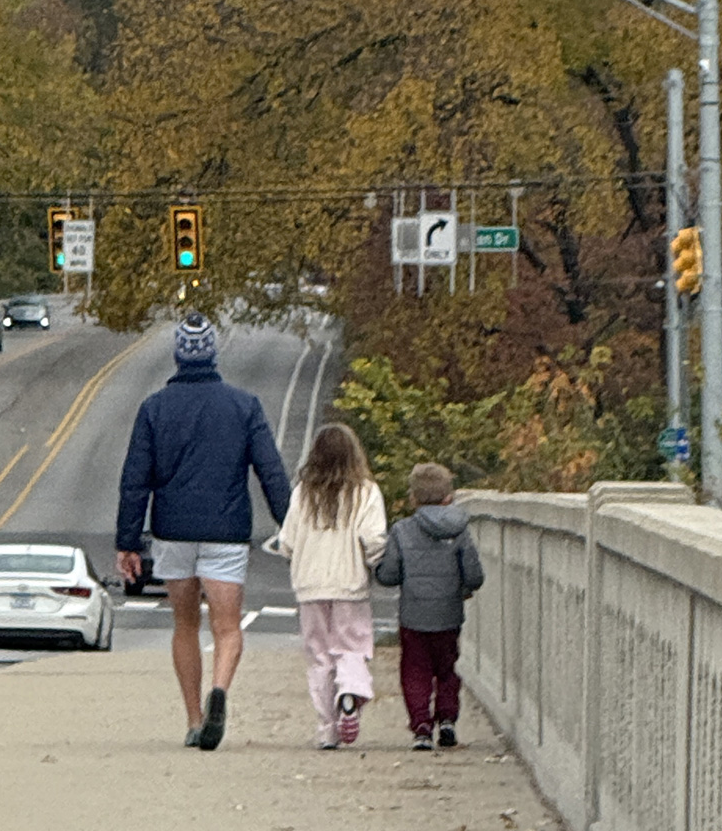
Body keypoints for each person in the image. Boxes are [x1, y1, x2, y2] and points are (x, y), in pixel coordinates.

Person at [116, 313, 291, 751]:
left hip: (173, 531)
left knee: (185, 625)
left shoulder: (154, 408)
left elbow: (135, 479)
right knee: (227, 627)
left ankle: (194, 719)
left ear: (178, 354)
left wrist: (127, 541)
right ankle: (220, 691)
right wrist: (291, 525)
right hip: (226, 531)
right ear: (214, 352)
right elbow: (270, 472)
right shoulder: (244, 406)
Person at [278, 423, 387, 749]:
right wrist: (375, 563)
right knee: (351, 646)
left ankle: (328, 728)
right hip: (349, 585)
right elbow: (374, 540)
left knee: (319, 656)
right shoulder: (366, 492)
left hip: (310, 586)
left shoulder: (302, 493)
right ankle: (350, 694)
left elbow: (287, 542)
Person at [375, 462, 484, 750]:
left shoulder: (402, 530)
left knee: (415, 670)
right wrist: (462, 589)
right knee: (447, 668)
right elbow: (474, 574)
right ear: (449, 496)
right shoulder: (460, 530)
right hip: (449, 614)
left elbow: (389, 575)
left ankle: (422, 726)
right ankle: (447, 719)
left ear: (413, 498)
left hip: (413, 615)